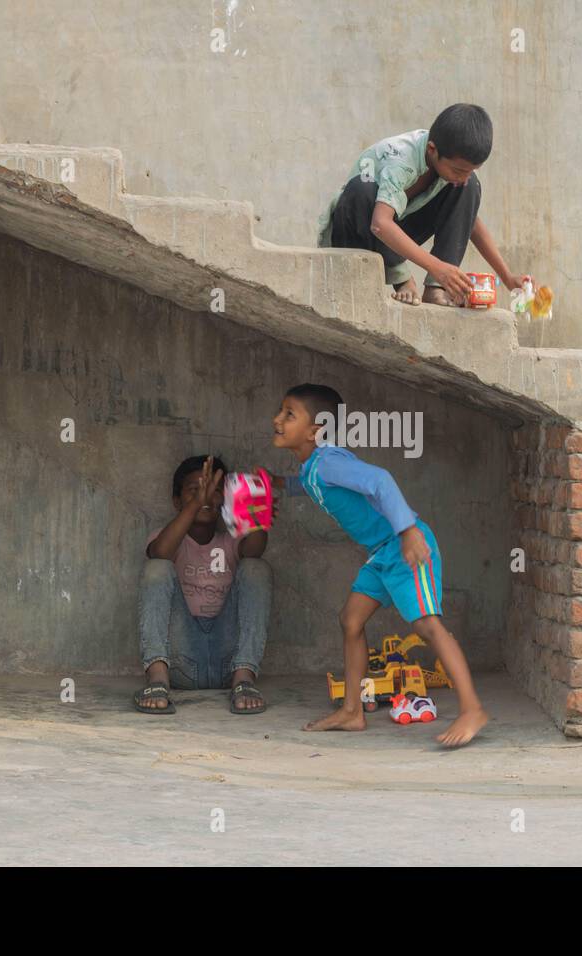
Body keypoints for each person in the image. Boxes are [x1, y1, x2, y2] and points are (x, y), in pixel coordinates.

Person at [272, 383, 488, 746]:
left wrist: (407, 531)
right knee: (350, 620)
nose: (277, 419)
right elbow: (310, 486)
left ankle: (472, 709)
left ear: (316, 430)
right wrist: (277, 484)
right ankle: (352, 712)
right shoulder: (314, 468)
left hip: (405, 545)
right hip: (382, 552)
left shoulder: (329, 462)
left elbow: (380, 481)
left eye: (289, 414)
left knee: (428, 626)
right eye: (280, 411)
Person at [318, 103, 525, 308]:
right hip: (356, 231)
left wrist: (508, 278)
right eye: (459, 170)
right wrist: (436, 267)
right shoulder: (400, 159)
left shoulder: (452, 167)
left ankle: (436, 288)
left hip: (394, 230)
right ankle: (403, 281)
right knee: (362, 187)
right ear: (432, 150)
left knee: (469, 187)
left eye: (470, 170)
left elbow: (469, 221)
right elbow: (380, 224)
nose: (463, 177)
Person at [134, 455, 272, 715]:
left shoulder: (231, 541)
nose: (206, 498)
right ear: (177, 501)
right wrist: (198, 502)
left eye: (214, 491)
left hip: (228, 663)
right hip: (179, 661)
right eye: (195, 491)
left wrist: (254, 514)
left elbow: (255, 549)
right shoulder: (167, 537)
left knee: (257, 567)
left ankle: (244, 679)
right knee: (157, 566)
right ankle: (157, 679)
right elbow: (160, 551)